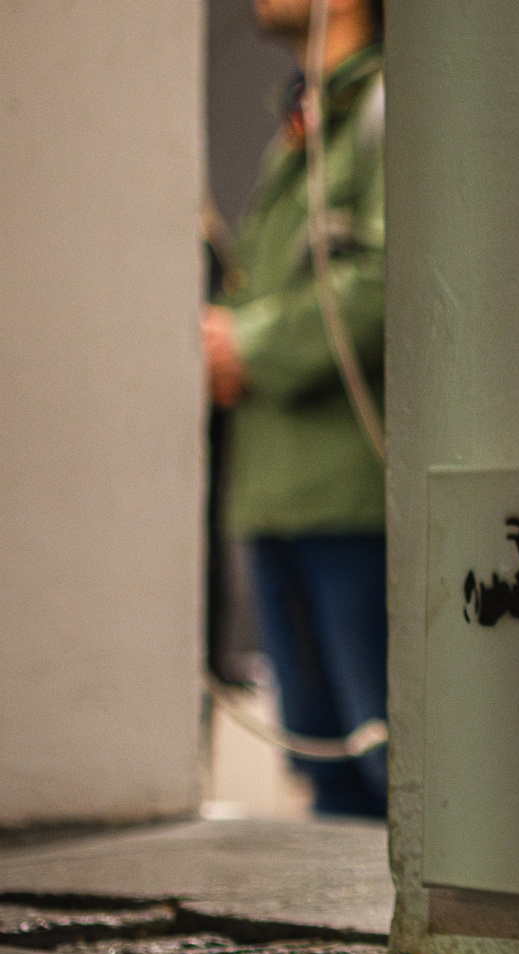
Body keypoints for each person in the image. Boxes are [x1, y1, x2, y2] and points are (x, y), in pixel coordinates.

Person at [203, 0, 387, 818]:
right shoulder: (306, 121)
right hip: (282, 500)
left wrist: (243, 344)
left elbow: (386, 285)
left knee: (391, 775)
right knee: (328, 780)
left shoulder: (389, 114)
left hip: (356, 505)